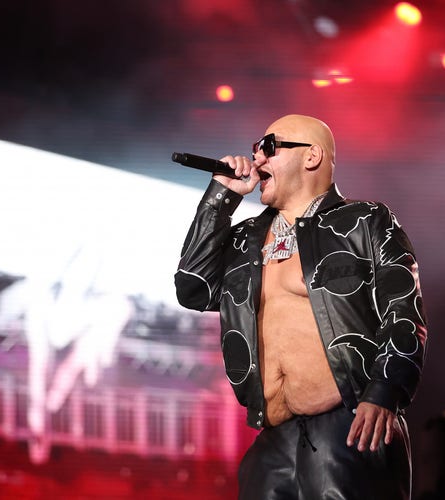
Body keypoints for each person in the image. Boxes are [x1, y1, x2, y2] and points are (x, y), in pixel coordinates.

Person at [174, 114, 427, 499]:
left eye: (268, 147)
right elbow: (193, 288)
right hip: (273, 433)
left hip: (350, 424)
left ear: (311, 157)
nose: (256, 158)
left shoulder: (365, 221)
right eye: (254, 149)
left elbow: (404, 312)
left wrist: (385, 391)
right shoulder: (245, 238)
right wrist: (221, 197)